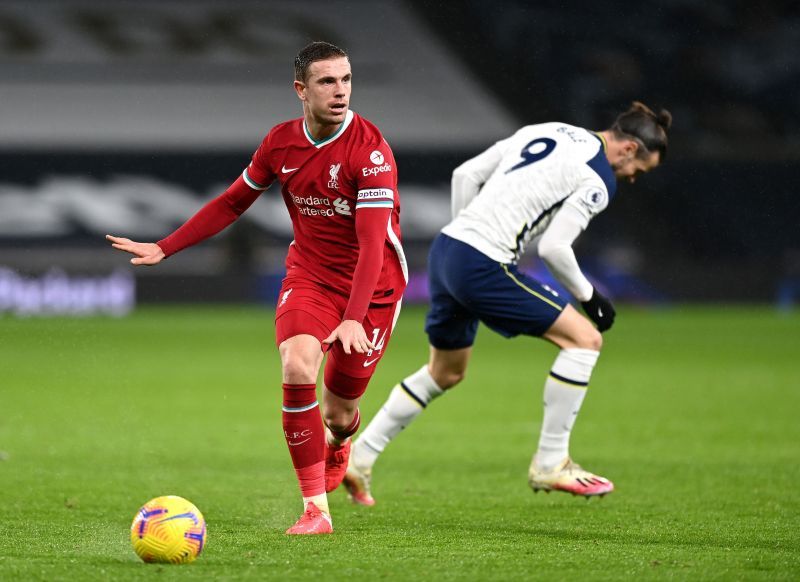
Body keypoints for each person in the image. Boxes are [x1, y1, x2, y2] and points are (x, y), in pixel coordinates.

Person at [107, 41, 407, 535]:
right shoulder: (280, 143)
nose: (340, 91)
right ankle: (316, 510)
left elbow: (373, 244)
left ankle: (340, 440)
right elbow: (231, 203)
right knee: (295, 365)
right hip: (310, 276)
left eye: (346, 80)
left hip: (371, 289)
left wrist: (353, 316)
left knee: (340, 409)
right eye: (327, 82)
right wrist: (167, 246)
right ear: (300, 90)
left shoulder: (370, 152)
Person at [342, 102, 671, 506]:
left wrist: (466, 234)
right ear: (629, 149)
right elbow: (554, 248)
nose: (633, 178)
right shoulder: (599, 176)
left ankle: (360, 456)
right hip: (481, 263)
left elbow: (465, 174)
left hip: (447, 251)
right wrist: (592, 298)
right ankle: (551, 462)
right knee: (585, 340)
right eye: (641, 169)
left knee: (445, 371)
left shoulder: (548, 127)